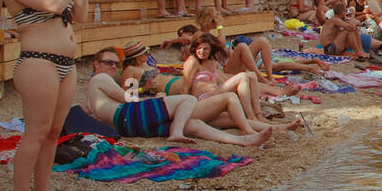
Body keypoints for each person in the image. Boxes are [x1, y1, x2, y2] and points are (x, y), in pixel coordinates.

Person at [2, 0, 94, 191]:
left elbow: (78, 16)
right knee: (36, 131)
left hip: (65, 63)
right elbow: (53, 6)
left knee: (54, 131)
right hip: (38, 61)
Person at [87, 47, 275, 146]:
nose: (113, 67)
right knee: (188, 99)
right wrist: (153, 98)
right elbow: (127, 98)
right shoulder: (101, 78)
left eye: (115, 64)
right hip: (129, 115)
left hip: (128, 125)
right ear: (96, 65)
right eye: (108, 63)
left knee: (194, 124)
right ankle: (176, 133)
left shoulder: (93, 90)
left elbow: (95, 111)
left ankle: (242, 140)